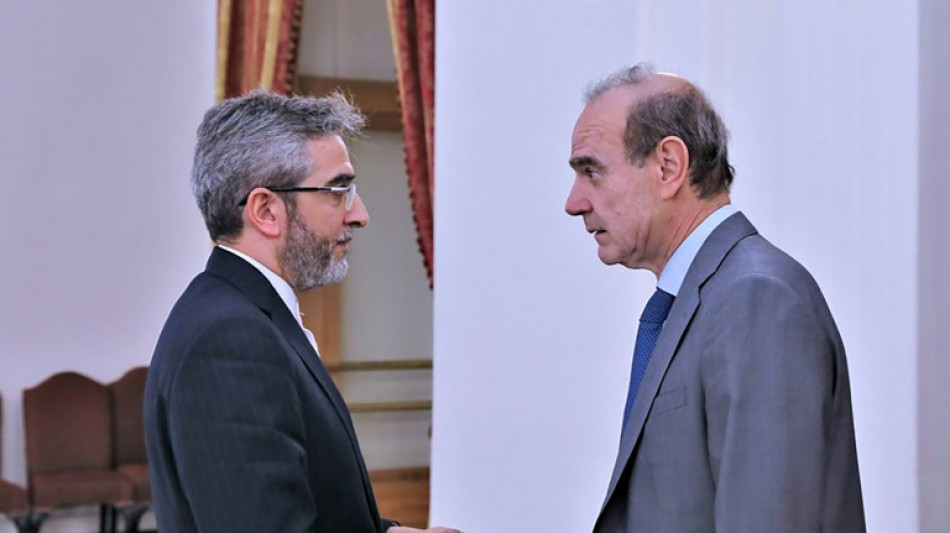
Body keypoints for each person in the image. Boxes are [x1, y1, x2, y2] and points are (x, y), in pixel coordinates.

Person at [565, 64, 866, 532]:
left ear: (668, 166)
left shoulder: (757, 298)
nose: (574, 202)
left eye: (592, 172)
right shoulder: (709, 296)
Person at [145, 91, 460, 533]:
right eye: (339, 191)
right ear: (266, 210)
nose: (360, 214)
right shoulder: (230, 339)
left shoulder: (242, 314)